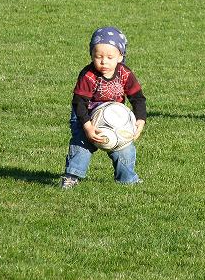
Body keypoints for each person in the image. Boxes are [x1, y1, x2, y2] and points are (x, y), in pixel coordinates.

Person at [61, 26, 146, 189]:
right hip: (85, 116)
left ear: (120, 56)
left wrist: (140, 120)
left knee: (125, 149)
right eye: (98, 56)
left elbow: (138, 98)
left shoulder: (125, 74)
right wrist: (87, 127)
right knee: (82, 146)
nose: (103, 61)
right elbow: (79, 103)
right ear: (91, 55)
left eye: (109, 57)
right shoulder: (88, 75)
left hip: (115, 120)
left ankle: (127, 179)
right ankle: (72, 176)